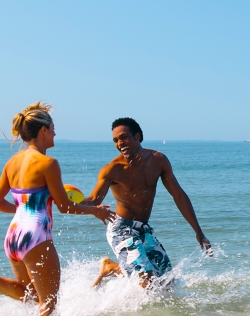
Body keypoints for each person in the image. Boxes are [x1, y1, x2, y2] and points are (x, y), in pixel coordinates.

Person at [0, 102, 114, 316]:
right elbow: (65, 206)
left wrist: (27, 209)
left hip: (14, 236)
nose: (55, 133)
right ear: (43, 130)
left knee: (32, 297)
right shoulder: (48, 163)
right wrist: (95, 211)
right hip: (35, 236)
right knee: (49, 305)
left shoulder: (12, 162)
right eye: (52, 127)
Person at [87, 117, 211, 288]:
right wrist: (61, 199)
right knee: (147, 282)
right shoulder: (113, 169)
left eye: (124, 137)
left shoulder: (158, 160)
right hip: (121, 230)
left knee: (168, 284)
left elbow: (179, 196)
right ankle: (118, 270)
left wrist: (198, 231)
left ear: (137, 136)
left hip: (143, 228)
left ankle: (112, 268)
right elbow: (94, 200)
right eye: (115, 140)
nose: (119, 143)